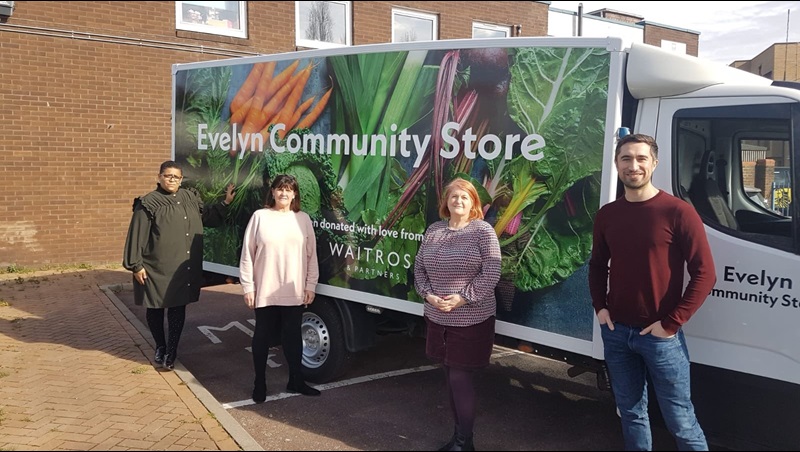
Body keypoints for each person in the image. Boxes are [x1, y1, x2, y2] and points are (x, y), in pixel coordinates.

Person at [588, 133, 717, 451]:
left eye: (641, 158)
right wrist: (600, 308)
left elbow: (705, 274)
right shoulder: (607, 215)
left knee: (681, 421)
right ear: (617, 164)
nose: (633, 165)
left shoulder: (677, 212)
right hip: (617, 333)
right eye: (626, 159)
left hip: (661, 337)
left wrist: (672, 324)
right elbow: (596, 265)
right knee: (631, 414)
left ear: (654, 163)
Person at [414, 177, 502, 451]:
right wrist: (427, 294)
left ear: (474, 202)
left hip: (470, 320)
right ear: (446, 203)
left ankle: (465, 442)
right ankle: (459, 438)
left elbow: (492, 272)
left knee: (459, 378)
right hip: (438, 318)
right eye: (454, 197)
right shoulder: (434, 230)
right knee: (448, 375)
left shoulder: (482, 231)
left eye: (465, 197)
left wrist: (464, 298)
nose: (459, 201)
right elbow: (419, 268)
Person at [123, 160, 234, 371]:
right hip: (155, 266)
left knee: (177, 308)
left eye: (176, 177)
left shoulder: (189, 197)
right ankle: (160, 345)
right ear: (159, 177)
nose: (172, 180)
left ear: (181, 179)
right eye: (168, 176)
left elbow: (207, 217)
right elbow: (135, 236)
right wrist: (136, 265)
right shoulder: (148, 203)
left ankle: (172, 350)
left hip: (182, 268)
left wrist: (225, 203)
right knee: (155, 308)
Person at [239, 174, 320, 403]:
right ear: (273, 192)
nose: (284, 193)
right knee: (262, 336)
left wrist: (310, 284)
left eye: (289, 190)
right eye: (279, 189)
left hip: (293, 289)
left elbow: (311, 255)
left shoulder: (302, 219)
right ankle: (260, 383)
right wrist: (248, 287)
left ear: (294, 194)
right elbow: (247, 255)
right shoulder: (260, 217)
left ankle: (296, 380)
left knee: (293, 337)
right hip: (265, 288)